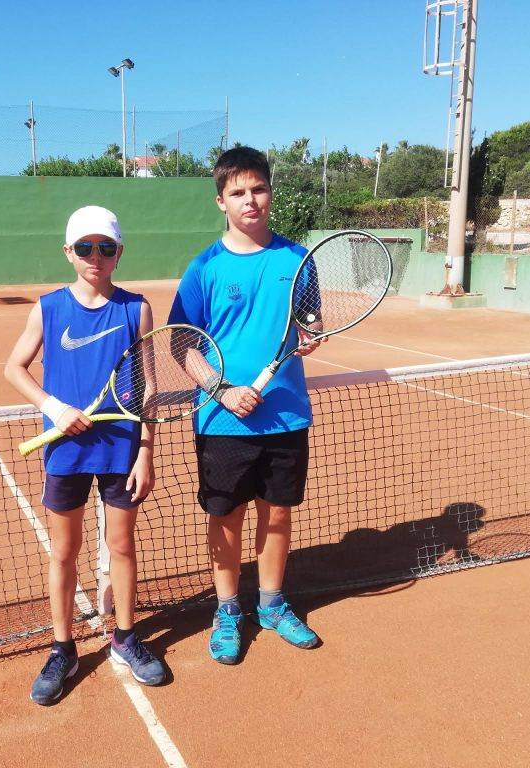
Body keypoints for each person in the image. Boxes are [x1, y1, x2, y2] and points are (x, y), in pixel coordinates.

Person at [167, 146, 323, 664]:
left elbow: (311, 320)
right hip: (222, 420)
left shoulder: (298, 259)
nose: (250, 200)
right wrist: (221, 390)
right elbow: (181, 343)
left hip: (285, 414)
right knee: (227, 516)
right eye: (238, 192)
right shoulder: (204, 268)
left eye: (258, 189)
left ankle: (273, 605)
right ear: (221, 201)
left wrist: (312, 335)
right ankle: (229, 609)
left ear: (270, 193)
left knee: (277, 513)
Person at [5, 205, 166, 704]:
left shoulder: (136, 309)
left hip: (122, 449)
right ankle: (63, 649)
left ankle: (125, 638)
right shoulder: (48, 308)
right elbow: (14, 367)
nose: (96, 256)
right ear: (69, 253)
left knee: (122, 546)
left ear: (119, 252)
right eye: (85, 247)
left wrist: (146, 452)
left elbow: (149, 388)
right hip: (66, 451)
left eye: (106, 247)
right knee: (64, 551)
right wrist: (54, 408)